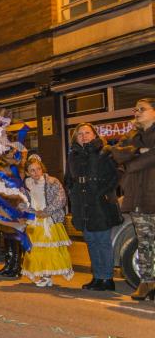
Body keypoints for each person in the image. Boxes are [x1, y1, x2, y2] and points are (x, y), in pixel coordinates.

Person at [64, 123, 121, 291]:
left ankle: (107, 279)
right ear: (76, 138)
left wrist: (103, 193)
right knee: (91, 241)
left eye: (87, 133)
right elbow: (69, 178)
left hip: (100, 204)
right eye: (80, 134)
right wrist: (72, 192)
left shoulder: (105, 152)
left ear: (94, 135)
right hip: (82, 205)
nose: (84, 136)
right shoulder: (73, 156)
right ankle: (97, 277)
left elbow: (117, 174)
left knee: (102, 241)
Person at [111, 97, 155, 300]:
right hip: (138, 197)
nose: (136, 112)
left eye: (141, 109)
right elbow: (117, 154)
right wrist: (137, 151)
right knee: (144, 242)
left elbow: (148, 158)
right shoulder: (132, 135)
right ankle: (147, 283)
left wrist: (132, 163)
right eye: (135, 109)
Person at [20, 156, 73, 287]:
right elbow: (23, 201)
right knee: (36, 250)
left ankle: (47, 276)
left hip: (49, 220)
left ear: (42, 168)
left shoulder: (52, 182)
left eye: (38, 169)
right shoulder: (26, 185)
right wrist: (30, 211)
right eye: (32, 170)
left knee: (49, 250)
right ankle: (44, 275)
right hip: (35, 221)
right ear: (27, 172)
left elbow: (61, 199)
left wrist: (47, 211)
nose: (36, 173)